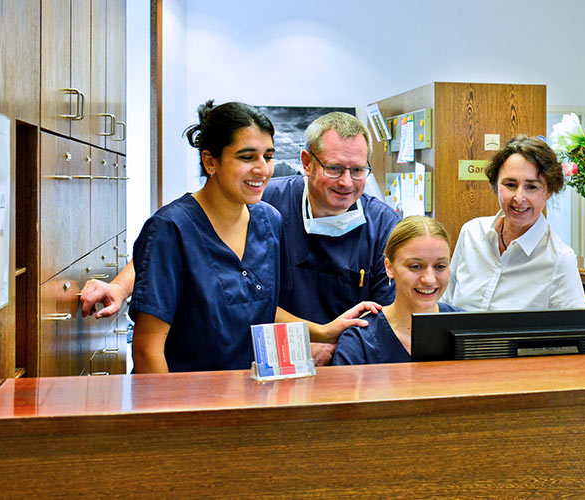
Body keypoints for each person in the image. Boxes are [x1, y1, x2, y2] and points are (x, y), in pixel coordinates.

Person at [81, 111, 400, 365]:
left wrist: (327, 340)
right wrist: (120, 288)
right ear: (306, 163)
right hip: (203, 383)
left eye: (358, 170)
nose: (347, 181)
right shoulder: (263, 202)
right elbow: (164, 253)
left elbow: (260, 304)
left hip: (296, 369)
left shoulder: (378, 224)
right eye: (333, 168)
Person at [129, 101, 282, 372]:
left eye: (267, 157)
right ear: (210, 162)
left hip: (253, 397)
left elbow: (258, 307)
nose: (263, 169)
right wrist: (174, 415)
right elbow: (146, 348)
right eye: (247, 157)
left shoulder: (270, 221)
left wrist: (326, 331)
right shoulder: (170, 228)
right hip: (188, 401)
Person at [442, 135, 585, 311]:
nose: (519, 198)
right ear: (496, 185)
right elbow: (445, 306)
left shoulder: (560, 259)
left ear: (548, 192)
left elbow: (571, 334)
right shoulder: (471, 233)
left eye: (531, 187)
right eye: (510, 184)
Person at [333, 216, 462, 365]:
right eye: (415, 266)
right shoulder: (359, 341)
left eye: (440, 266)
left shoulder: (466, 328)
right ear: (389, 267)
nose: (429, 280)